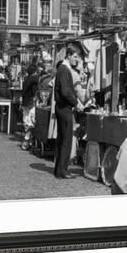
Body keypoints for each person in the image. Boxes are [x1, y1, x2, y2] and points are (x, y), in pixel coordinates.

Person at [53, 44, 84, 178]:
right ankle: (63, 170)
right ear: (69, 56)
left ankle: (59, 169)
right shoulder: (65, 70)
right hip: (64, 108)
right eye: (75, 57)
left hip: (61, 107)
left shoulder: (62, 69)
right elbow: (66, 92)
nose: (76, 60)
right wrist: (76, 103)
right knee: (66, 140)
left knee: (62, 139)